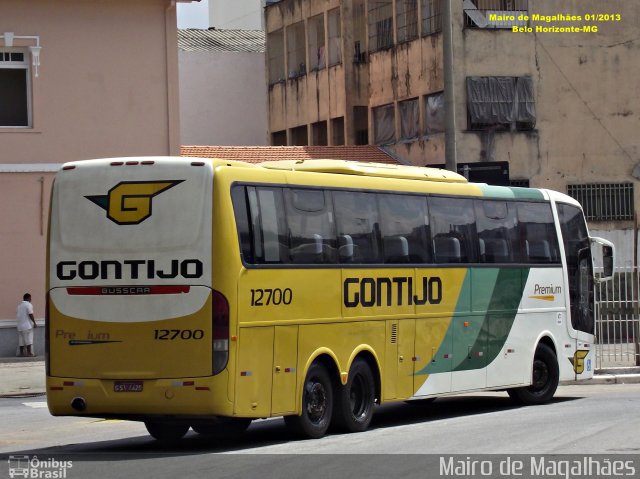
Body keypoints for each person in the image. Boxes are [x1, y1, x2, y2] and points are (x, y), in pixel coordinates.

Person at [16, 293, 37, 357]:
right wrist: (34, 323)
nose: (31, 299)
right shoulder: (28, 305)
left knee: (21, 340)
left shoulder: (19, 306)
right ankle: (29, 353)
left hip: (19, 326)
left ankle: (21, 353)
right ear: (27, 298)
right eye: (30, 298)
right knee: (28, 339)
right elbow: (30, 314)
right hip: (27, 325)